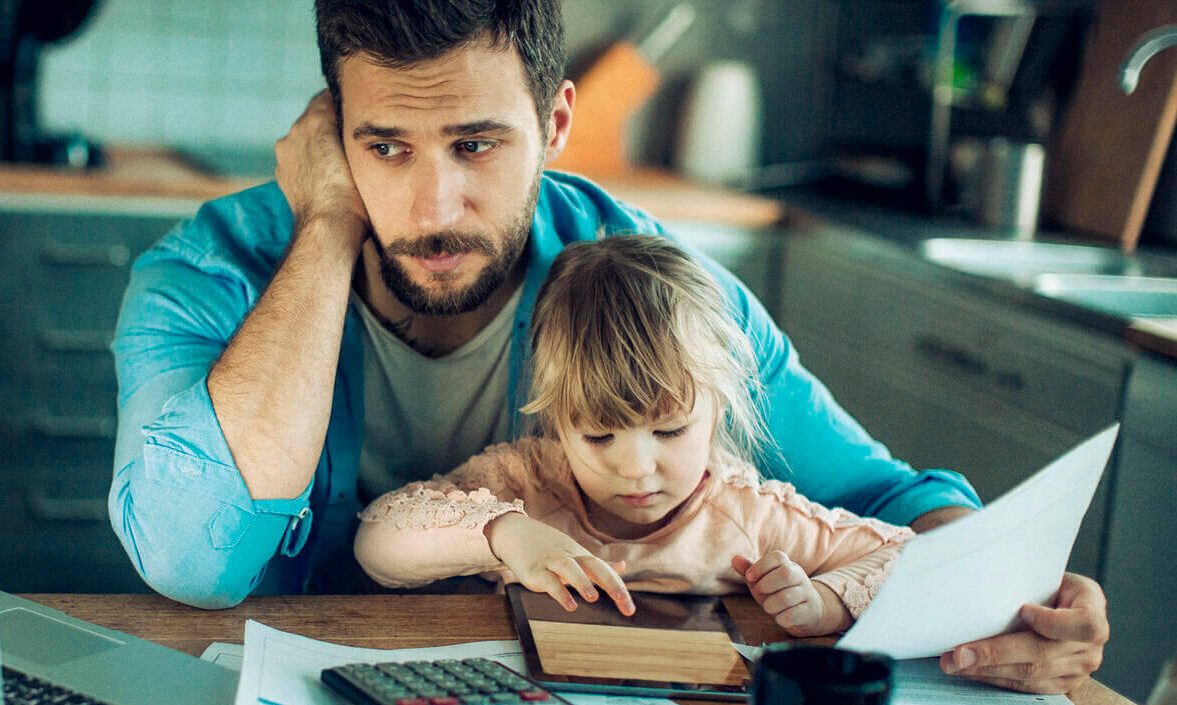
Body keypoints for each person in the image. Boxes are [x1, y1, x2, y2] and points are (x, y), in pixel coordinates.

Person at [109, 0, 1108, 693]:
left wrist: (1001, 595)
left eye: (475, 144)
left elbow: (883, 496)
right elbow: (193, 558)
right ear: (331, 132)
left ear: (552, 124)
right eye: (385, 146)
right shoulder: (211, 271)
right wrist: (325, 224)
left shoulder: (637, 280)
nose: (432, 207)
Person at [354, 235, 914, 638]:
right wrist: (503, 534)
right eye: (599, 437)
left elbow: (908, 556)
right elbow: (376, 544)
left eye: (669, 430)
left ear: (717, 409)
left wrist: (825, 603)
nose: (637, 468)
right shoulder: (525, 482)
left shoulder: (749, 515)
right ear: (557, 418)